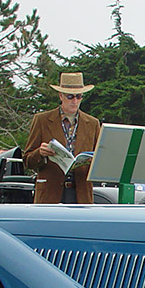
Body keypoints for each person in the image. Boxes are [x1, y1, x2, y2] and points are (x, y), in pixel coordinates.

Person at [23, 72, 101, 203]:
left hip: (81, 195)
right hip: (50, 194)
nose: (75, 101)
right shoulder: (42, 120)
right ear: (61, 96)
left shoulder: (93, 124)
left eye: (79, 96)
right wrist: (40, 153)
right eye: (70, 96)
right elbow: (27, 160)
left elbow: (99, 161)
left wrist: (91, 162)